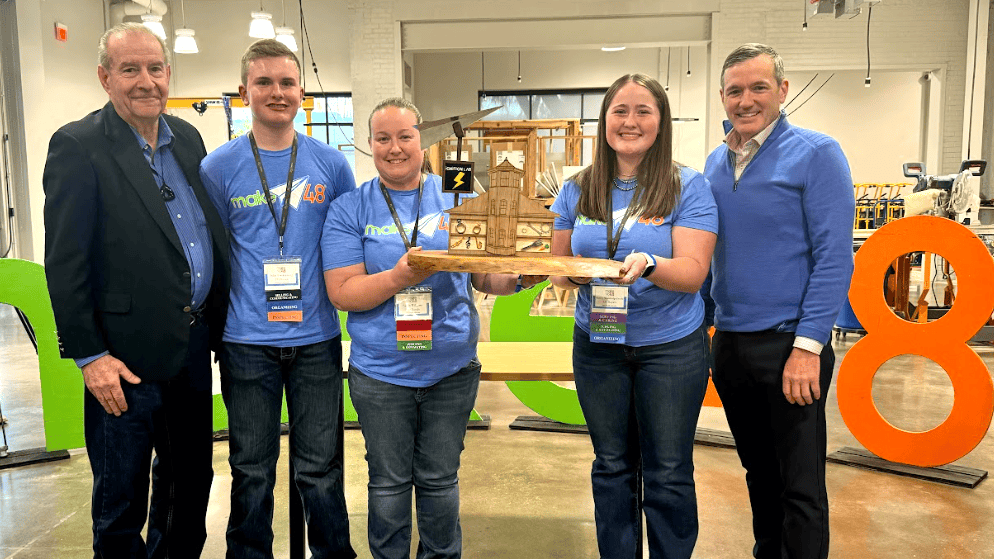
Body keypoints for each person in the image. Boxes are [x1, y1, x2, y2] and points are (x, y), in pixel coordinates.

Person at [322, 97, 542, 559]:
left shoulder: (457, 197)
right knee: (387, 482)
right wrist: (402, 275)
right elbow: (343, 292)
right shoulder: (350, 208)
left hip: (451, 371)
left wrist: (523, 274)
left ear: (423, 142)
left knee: (441, 480)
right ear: (369, 145)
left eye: (405, 136)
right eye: (383, 138)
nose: (395, 148)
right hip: (380, 373)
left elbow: (484, 276)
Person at [42, 23, 229, 558]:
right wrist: (90, 355)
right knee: (122, 502)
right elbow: (65, 261)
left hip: (190, 349)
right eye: (130, 70)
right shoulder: (78, 146)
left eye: (154, 68)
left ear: (169, 74)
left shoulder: (187, 138)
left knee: (189, 487)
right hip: (123, 362)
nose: (146, 81)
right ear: (105, 78)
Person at [549, 73, 718, 559]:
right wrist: (575, 276)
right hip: (598, 344)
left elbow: (692, 273)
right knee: (611, 465)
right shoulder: (578, 188)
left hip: (670, 348)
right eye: (619, 111)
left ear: (661, 121)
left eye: (643, 110)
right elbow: (558, 270)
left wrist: (650, 264)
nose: (630, 121)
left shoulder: (687, 185)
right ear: (604, 121)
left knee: (667, 470)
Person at [199, 39, 356, 559]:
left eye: (287, 82)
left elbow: (347, 247)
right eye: (263, 82)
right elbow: (214, 257)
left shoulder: (332, 166)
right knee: (250, 471)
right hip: (245, 342)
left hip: (316, 340)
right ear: (244, 92)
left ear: (302, 93)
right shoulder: (217, 168)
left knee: (321, 470)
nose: (276, 92)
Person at [704, 43, 854, 559]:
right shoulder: (715, 163)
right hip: (731, 345)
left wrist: (808, 346)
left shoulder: (817, 153)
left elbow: (835, 258)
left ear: (783, 91)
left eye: (758, 87)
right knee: (758, 475)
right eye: (734, 90)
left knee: (801, 486)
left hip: (791, 346)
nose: (746, 100)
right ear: (722, 97)